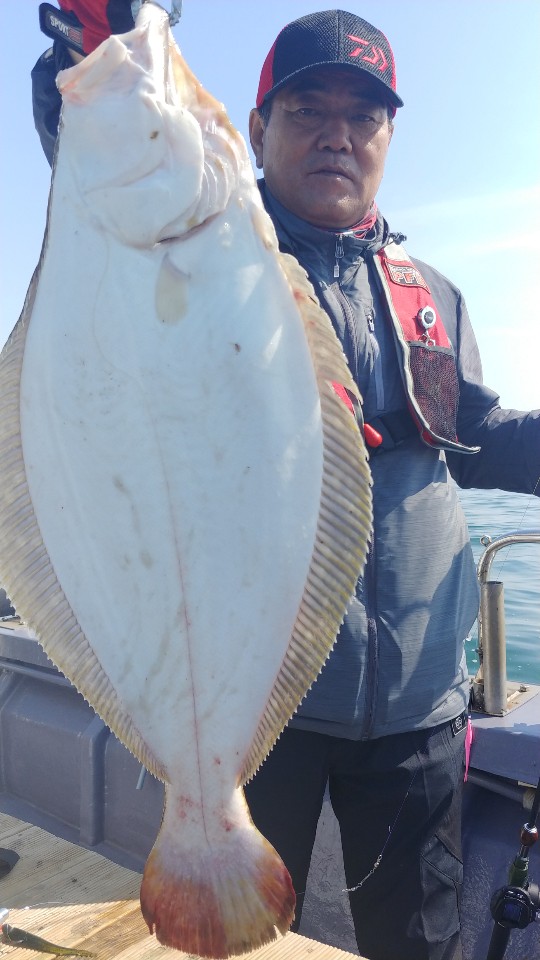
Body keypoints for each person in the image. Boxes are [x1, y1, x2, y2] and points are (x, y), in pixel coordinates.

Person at [31, 4, 540, 960]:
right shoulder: (221, 238)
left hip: (421, 709)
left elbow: (471, 429)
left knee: (421, 941)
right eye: (308, 110)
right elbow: (108, 172)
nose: (338, 135)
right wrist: (93, 59)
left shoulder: (430, 293)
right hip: (269, 705)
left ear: (389, 137)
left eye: (364, 115)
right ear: (257, 128)